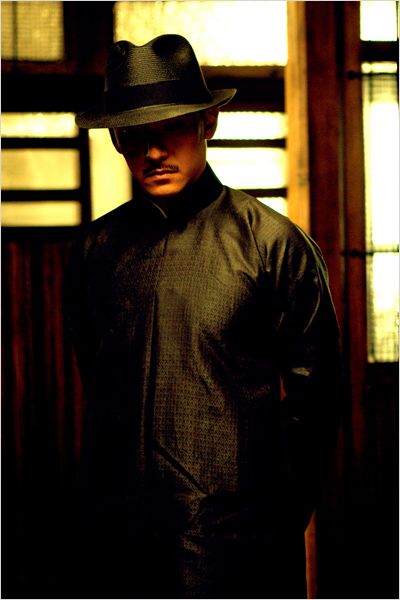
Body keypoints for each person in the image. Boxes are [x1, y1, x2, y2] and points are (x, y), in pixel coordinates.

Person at [63, 34, 341, 599]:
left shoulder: (271, 243)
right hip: (119, 542)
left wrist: (272, 520)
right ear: (116, 139)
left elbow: (317, 401)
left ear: (207, 123)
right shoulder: (96, 250)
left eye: (168, 127)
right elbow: (98, 382)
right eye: (133, 133)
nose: (152, 151)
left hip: (238, 546)